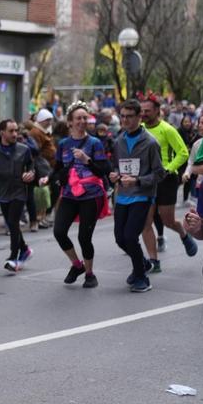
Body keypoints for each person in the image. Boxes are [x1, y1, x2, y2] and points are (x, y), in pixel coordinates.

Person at [52, 102, 112, 288]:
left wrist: (87, 160)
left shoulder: (95, 143)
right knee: (59, 231)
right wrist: (48, 179)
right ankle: (76, 265)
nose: (82, 121)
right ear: (70, 122)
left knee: (84, 238)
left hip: (90, 195)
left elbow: (103, 170)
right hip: (70, 194)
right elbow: (57, 169)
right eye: (78, 118)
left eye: (85, 118)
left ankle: (89, 273)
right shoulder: (63, 144)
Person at [109, 100, 165, 292]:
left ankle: (142, 278)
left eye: (129, 116)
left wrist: (138, 180)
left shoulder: (150, 143)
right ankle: (142, 263)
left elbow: (159, 173)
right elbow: (118, 165)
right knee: (120, 238)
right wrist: (115, 175)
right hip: (123, 196)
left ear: (139, 117)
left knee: (130, 236)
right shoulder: (119, 141)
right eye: (122, 116)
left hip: (142, 196)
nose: (125, 120)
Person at [140, 96, 198, 269]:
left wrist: (168, 169)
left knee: (167, 221)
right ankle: (153, 261)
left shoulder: (168, 129)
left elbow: (183, 153)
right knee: (146, 222)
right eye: (141, 111)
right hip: (147, 180)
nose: (143, 114)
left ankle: (184, 235)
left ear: (158, 111)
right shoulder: (140, 129)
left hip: (166, 179)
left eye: (147, 111)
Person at [0, 119, 44, 272]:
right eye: (11, 131)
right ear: (2, 133)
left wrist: (30, 174)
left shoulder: (24, 149)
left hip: (19, 190)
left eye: (16, 130)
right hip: (3, 191)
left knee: (13, 222)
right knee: (12, 224)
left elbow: (33, 166)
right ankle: (25, 249)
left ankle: (13, 256)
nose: (15, 134)